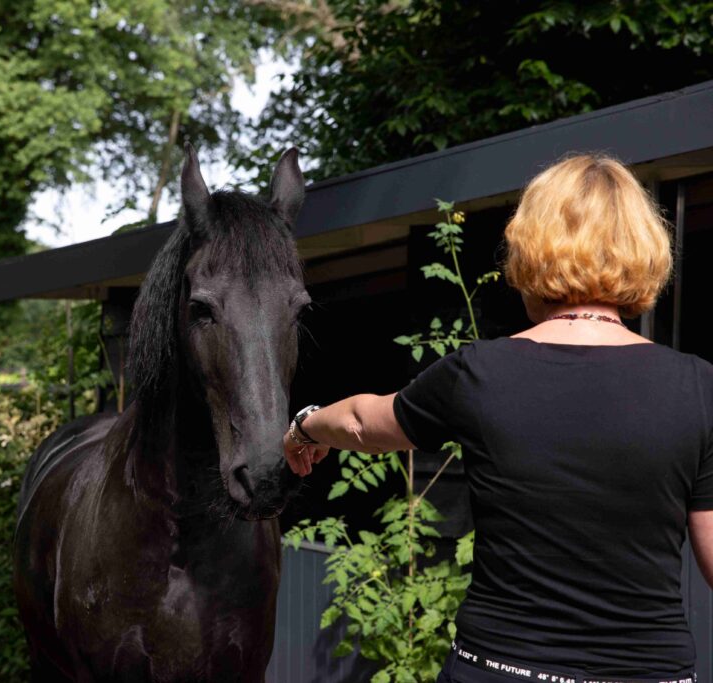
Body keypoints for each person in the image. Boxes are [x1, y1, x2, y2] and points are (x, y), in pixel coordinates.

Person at [281, 154, 713, 681]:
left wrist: (304, 425)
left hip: (500, 668)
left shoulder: (480, 373)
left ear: (530, 247)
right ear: (644, 249)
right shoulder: (699, 387)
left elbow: (361, 422)